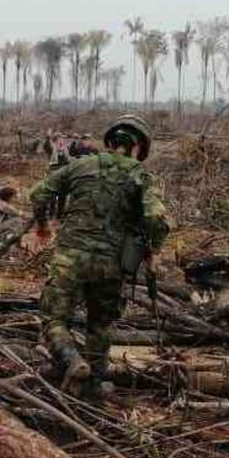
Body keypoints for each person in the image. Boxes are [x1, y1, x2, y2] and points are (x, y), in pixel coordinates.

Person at [28, 114, 169, 397]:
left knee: (54, 320)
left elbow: (37, 193)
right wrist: (153, 252)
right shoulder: (139, 175)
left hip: (69, 259)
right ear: (138, 147)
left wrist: (42, 225)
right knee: (100, 325)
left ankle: (71, 360)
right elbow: (156, 216)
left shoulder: (80, 165)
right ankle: (92, 387)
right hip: (110, 265)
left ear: (110, 141)